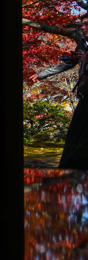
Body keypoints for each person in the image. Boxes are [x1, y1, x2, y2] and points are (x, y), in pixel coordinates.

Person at [31, 12, 88, 168]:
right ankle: (71, 172)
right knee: (76, 136)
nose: (82, 28)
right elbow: (67, 64)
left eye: (86, 24)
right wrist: (42, 74)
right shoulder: (83, 44)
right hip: (85, 95)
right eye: (81, 25)